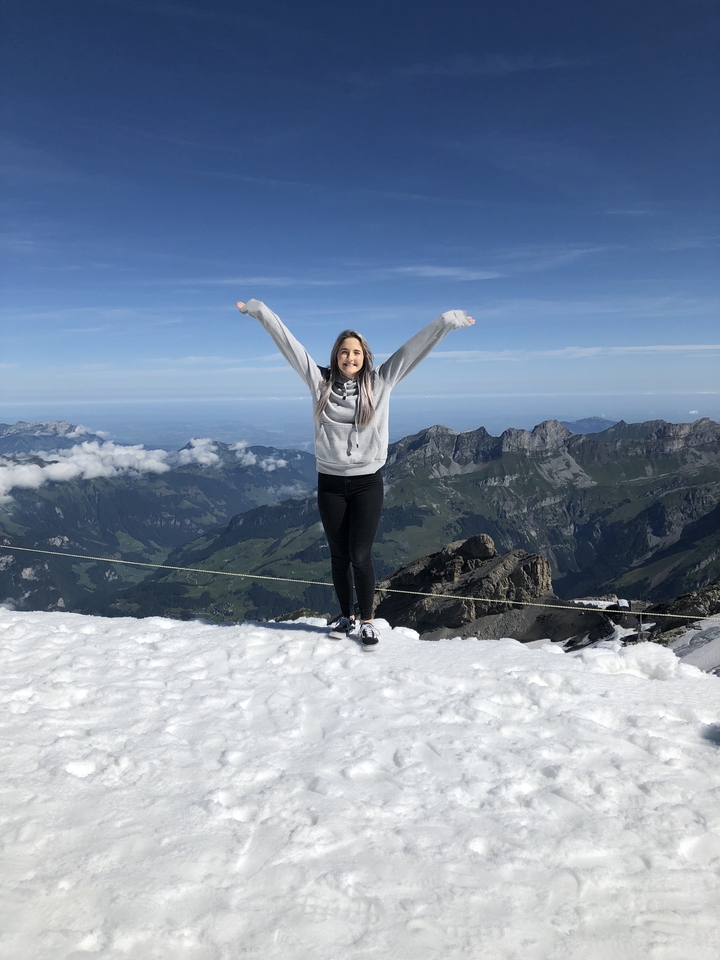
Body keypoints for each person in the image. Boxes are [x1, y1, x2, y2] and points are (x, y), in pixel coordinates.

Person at [236, 299, 475, 649]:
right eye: (345, 352)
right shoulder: (320, 383)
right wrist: (259, 311)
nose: (351, 357)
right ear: (336, 355)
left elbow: (413, 351)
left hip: (367, 482)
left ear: (365, 357)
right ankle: (346, 615)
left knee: (360, 555)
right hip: (330, 483)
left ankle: (366, 621)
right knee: (338, 556)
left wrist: (447, 321)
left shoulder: (381, 383)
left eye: (357, 353)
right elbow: (289, 344)